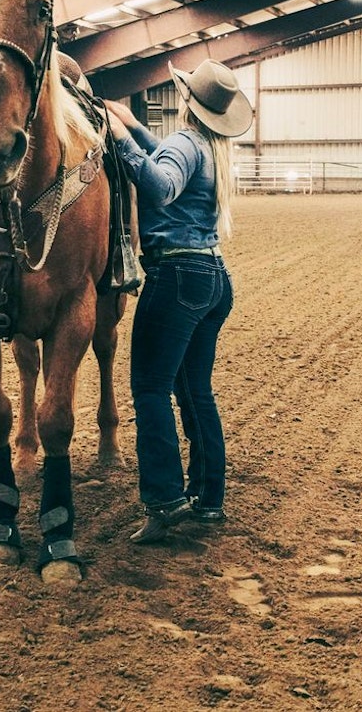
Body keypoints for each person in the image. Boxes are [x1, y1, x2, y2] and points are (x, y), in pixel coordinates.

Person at [102, 59, 252, 544]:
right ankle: (209, 499)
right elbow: (166, 155)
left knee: (149, 388)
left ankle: (165, 499)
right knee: (194, 390)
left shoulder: (187, 143)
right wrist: (135, 128)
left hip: (177, 276)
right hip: (211, 276)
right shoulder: (209, 146)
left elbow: (161, 185)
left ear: (187, 100)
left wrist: (119, 139)